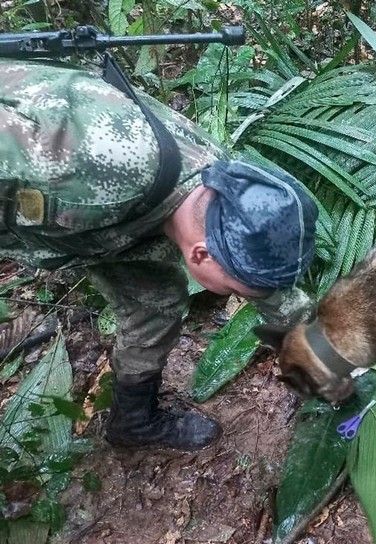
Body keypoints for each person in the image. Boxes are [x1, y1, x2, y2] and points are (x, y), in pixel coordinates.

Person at [0, 57, 319, 451]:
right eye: (239, 290)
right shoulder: (78, 172)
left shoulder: (223, 189)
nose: (249, 296)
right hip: (34, 168)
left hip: (104, 223)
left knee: (156, 302)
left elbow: (268, 286)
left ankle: (133, 422)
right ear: (201, 255)